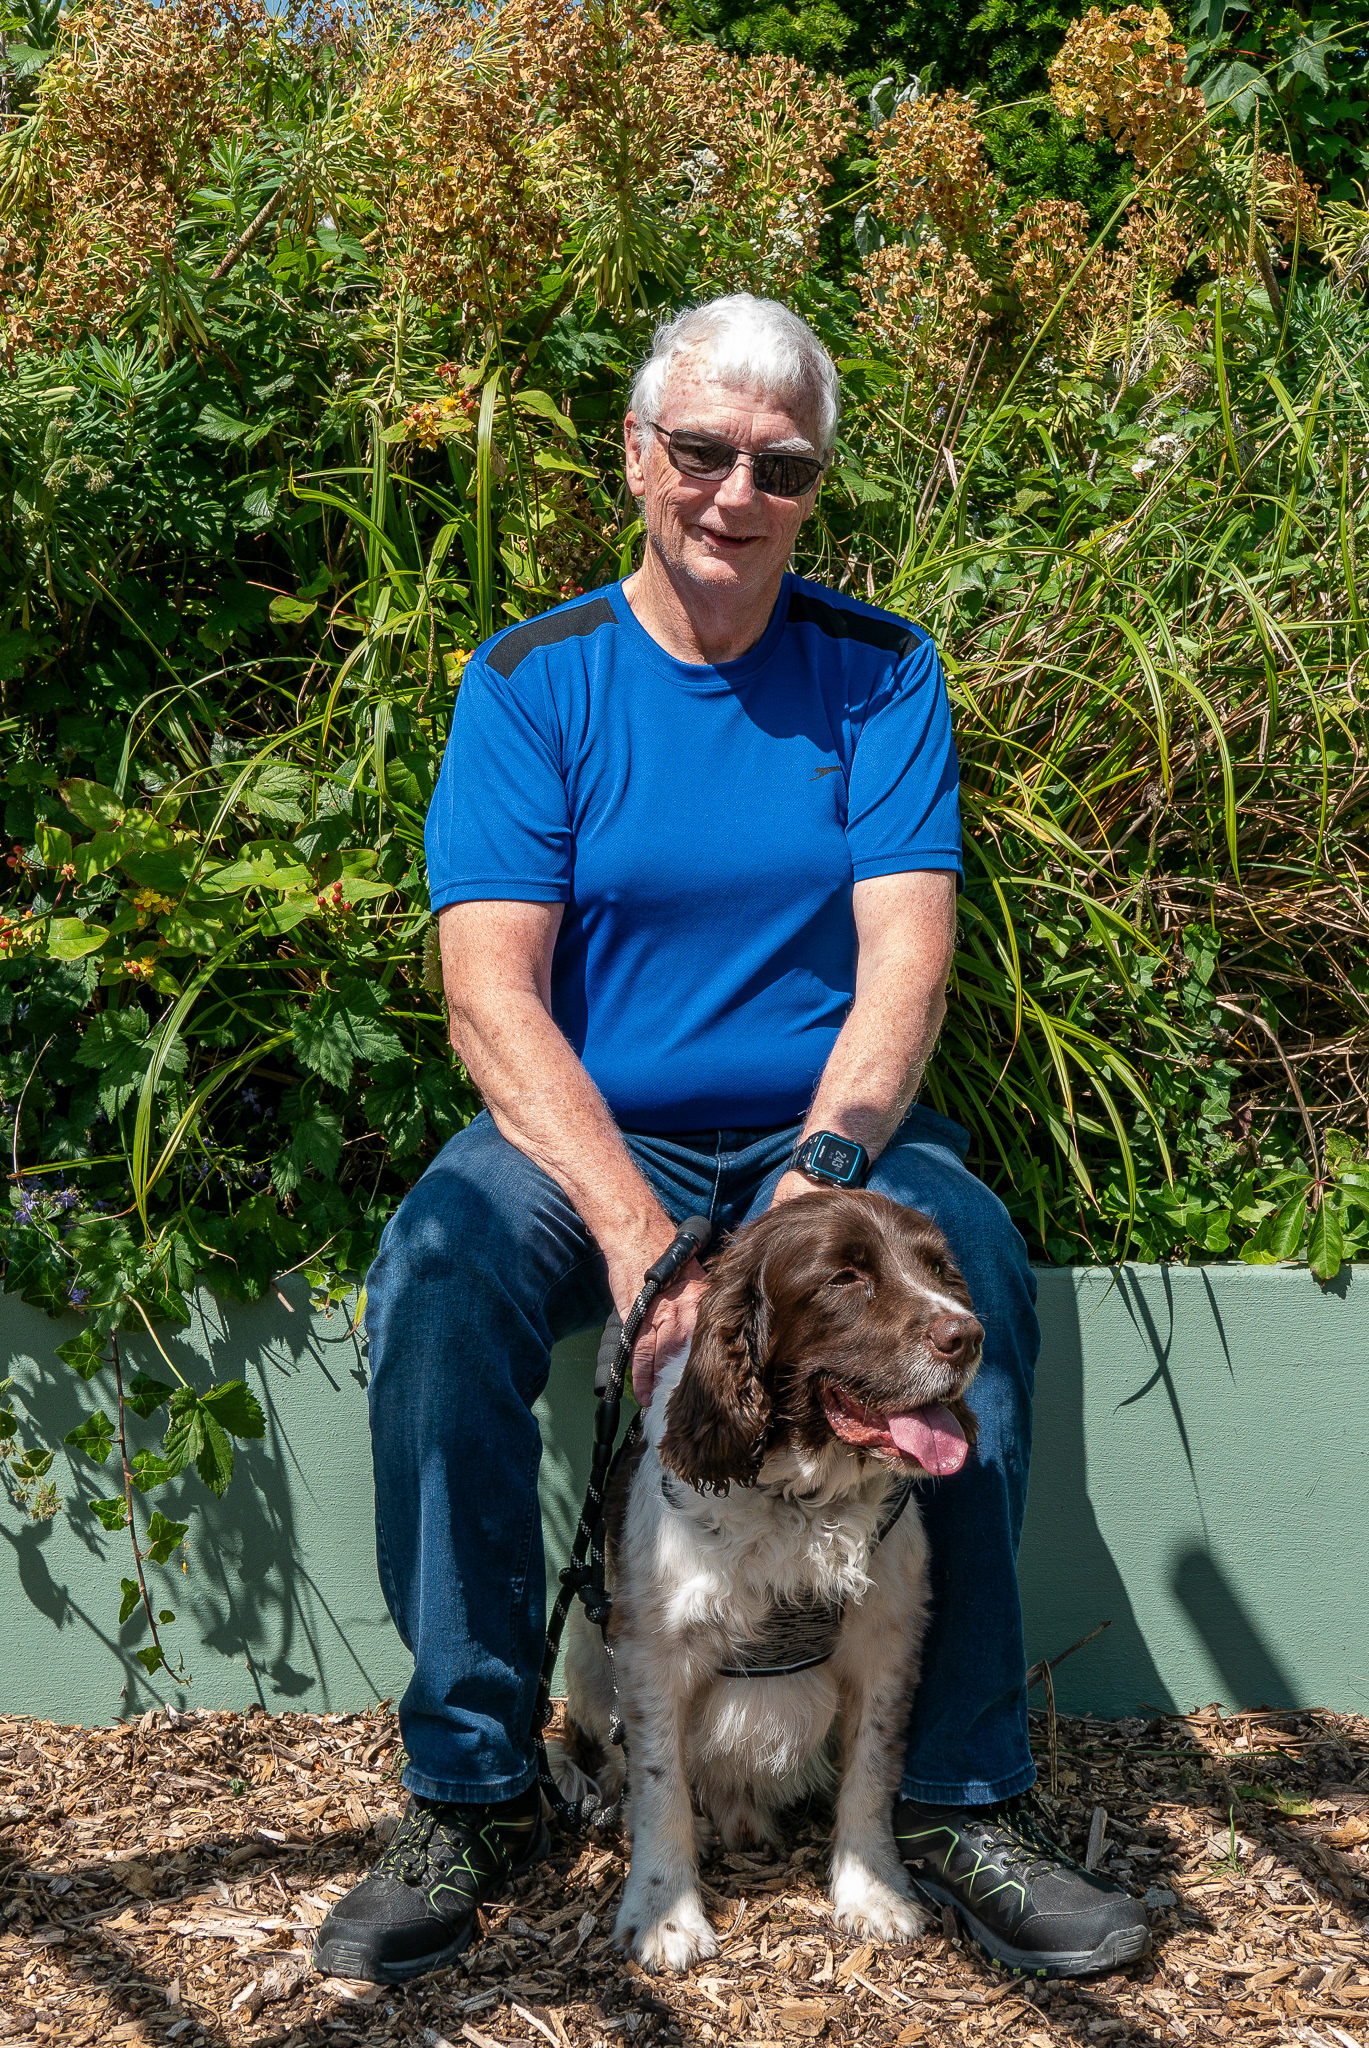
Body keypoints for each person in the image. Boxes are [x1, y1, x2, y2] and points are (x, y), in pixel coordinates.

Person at [315, 294, 1150, 1987]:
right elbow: (492, 1002)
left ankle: (963, 1792)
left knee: (968, 1256)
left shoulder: (877, 669)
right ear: (636, 457)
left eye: (777, 464)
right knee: (444, 1268)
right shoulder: (532, 681)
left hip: (816, 1140)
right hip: (588, 1137)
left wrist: (812, 1184)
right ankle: (471, 1792)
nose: (732, 492)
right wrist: (637, 1238)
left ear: (810, 486)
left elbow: (903, 967)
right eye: (697, 450)